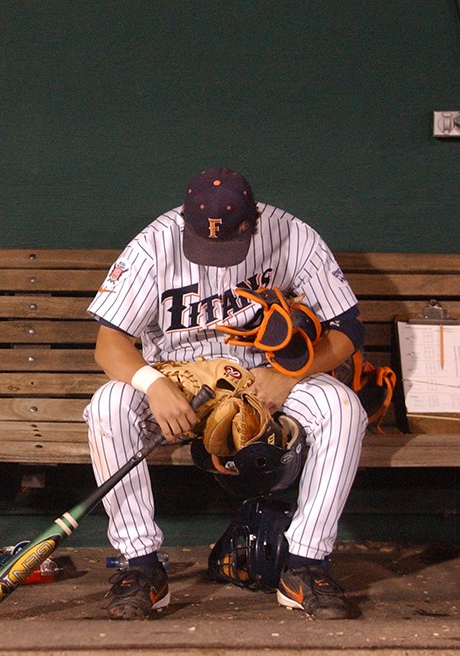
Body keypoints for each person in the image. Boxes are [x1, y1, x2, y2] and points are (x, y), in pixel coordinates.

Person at [84, 166, 366, 620]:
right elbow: (109, 343)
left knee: (341, 407)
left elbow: (347, 329)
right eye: (204, 243)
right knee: (109, 406)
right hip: (179, 379)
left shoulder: (292, 235)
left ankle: (305, 564)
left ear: (253, 220)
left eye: (228, 243)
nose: (215, 253)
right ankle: (141, 567)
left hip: (262, 379)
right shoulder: (154, 244)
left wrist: (290, 374)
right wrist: (153, 385)